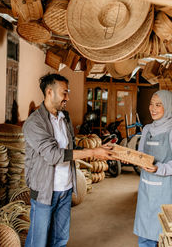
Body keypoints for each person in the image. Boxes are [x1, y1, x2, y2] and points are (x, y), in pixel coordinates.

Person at [23, 73, 114, 247]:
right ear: (49, 92)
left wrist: (99, 150)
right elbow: (53, 155)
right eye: (64, 93)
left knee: (60, 240)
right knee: (38, 242)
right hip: (44, 191)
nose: (68, 97)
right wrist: (93, 151)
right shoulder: (34, 123)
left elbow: (71, 149)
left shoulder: (65, 118)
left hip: (65, 189)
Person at [133, 90, 172, 247]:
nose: (152, 108)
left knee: (164, 232)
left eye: (158, 105)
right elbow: (141, 154)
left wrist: (159, 168)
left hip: (166, 189)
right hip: (147, 186)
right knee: (145, 228)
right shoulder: (147, 129)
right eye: (151, 104)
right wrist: (132, 158)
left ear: (168, 107)